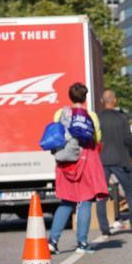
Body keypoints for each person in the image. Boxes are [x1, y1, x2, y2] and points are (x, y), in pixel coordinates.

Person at [48, 82, 108, 254]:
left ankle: (52, 241)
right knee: (85, 201)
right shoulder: (91, 115)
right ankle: (82, 243)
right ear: (85, 97)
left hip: (65, 161)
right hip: (85, 160)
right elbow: (97, 138)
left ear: (70, 96)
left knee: (66, 201)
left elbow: (56, 135)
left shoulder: (60, 113)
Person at [95, 90, 132, 236]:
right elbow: (128, 139)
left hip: (102, 160)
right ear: (115, 101)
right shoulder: (122, 118)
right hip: (121, 160)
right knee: (130, 193)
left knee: (101, 196)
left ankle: (104, 229)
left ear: (102, 101)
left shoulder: (97, 118)